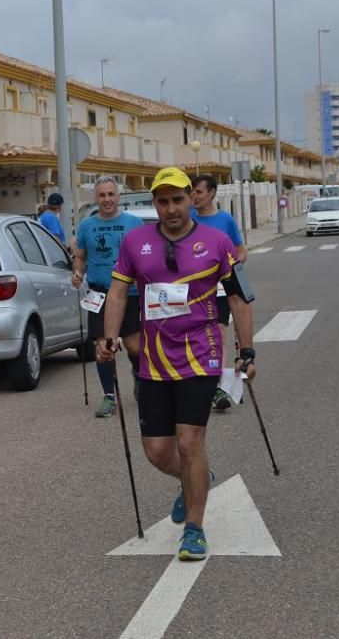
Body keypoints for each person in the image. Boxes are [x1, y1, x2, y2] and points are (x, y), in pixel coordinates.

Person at [99, 166, 257, 561]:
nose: (170, 208)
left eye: (177, 199)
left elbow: (238, 298)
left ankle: (194, 530)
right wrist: (109, 336)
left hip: (200, 356)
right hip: (153, 361)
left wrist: (246, 350)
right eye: (162, 201)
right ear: (155, 203)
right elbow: (118, 294)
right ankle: (198, 478)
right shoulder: (136, 243)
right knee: (156, 451)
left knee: (190, 443)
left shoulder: (216, 242)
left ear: (191, 199)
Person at [72, 177, 143, 418]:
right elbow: (80, 255)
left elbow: (145, 256)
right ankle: (109, 396)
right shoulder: (86, 226)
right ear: (95, 198)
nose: (107, 200)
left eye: (110, 194)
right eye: (102, 195)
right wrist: (77, 272)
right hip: (99, 293)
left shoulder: (135, 223)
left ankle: (139, 377)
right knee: (102, 346)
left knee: (134, 345)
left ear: (118, 196)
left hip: (129, 292)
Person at [190, 175, 248, 412]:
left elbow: (241, 251)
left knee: (219, 336)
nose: (194, 196)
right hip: (193, 292)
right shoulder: (188, 219)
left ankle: (218, 388)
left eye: (199, 192)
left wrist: (231, 265)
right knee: (197, 338)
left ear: (212, 193)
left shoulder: (225, 220)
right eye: (192, 192)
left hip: (221, 290)